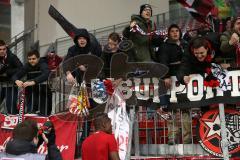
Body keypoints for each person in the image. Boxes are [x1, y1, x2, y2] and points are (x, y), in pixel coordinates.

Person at [157, 24, 191, 145]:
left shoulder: (186, 44)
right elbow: (163, 61)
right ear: (168, 33)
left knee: (185, 109)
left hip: (184, 79)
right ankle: (172, 137)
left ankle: (187, 138)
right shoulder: (165, 46)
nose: (175, 33)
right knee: (171, 110)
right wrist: (165, 76)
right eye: (172, 31)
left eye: (177, 31)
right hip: (170, 80)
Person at [12, 50, 51, 116]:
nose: (31, 61)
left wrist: (33, 82)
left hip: (44, 92)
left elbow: (46, 74)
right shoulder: (27, 65)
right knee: (30, 112)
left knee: (44, 113)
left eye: (33, 59)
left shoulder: (43, 64)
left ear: (38, 58)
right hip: (31, 93)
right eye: (29, 59)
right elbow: (15, 75)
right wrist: (17, 81)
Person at [0, 40, 23, 114]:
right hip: (1, 84)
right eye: (0, 49)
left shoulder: (12, 57)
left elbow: (21, 68)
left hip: (11, 85)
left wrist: (8, 72)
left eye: (4, 49)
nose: (2, 51)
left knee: (10, 106)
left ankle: (15, 122)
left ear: (6, 48)